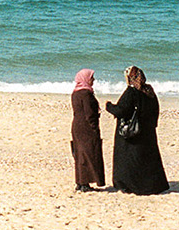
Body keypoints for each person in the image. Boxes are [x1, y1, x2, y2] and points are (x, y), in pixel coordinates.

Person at [107, 66, 168, 194]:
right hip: (148, 133)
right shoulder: (149, 91)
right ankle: (153, 185)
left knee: (128, 160)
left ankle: (127, 185)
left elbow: (122, 110)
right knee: (148, 160)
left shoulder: (132, 92)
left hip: (133, 134)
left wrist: (109, 106)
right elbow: (155, 110)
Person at [69, 69, 105, 191]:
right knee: (89, 153)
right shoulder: (86, 93)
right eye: (91, 78)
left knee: (80, 154)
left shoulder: (75, 93)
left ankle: (80, 182)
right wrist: (94, 126)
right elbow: (89, 113)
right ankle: (84, 183)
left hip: (77, 126)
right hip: (86, 127)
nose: (93, 80)